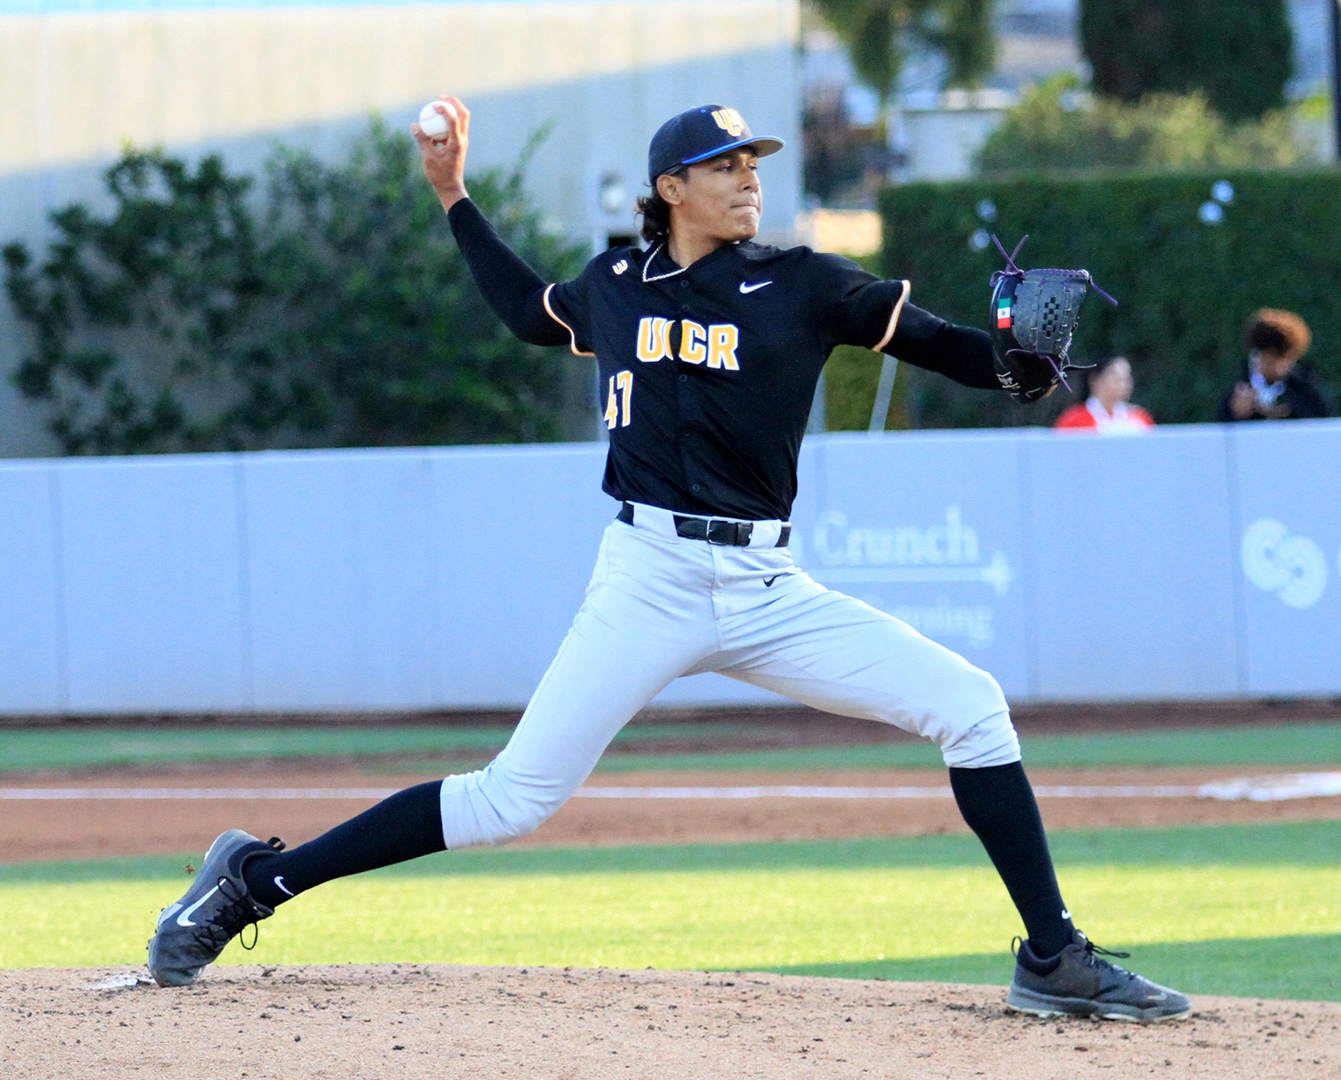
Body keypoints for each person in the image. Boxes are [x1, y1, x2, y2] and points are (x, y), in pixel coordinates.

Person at [143, 100, 1191, 1023]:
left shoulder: (805, 283)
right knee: (511, 799)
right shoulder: (612, 284)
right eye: (727, 164)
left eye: (754, 164)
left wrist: (1008, 364)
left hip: (770, 588)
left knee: (971, 706)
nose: (748, 180)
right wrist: (454, 196)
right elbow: (521, 312)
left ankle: (1053, 959)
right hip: (646, 578)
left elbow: (940, 341)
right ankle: (255, 882)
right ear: (671, 187)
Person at [1217, 308, 1333, 422]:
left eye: (1285, 360)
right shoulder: (1237, 392)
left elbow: (1324, 423)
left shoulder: (1306, 389)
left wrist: (1290, 413)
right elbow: (1220, 429)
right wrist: (1236, 414)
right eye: (1270, 360)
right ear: (1257, 355)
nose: (1278, 368)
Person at [1052, 356, 1153, 434]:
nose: (1123, 384)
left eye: (1126, 378)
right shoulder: (1073, 420)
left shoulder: (1140, 417)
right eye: (1116, 378)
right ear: (1095, 380)